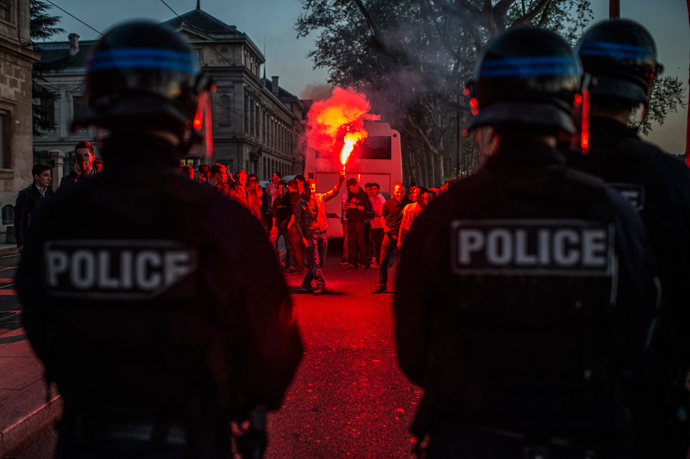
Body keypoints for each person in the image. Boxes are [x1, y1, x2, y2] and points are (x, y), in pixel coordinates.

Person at [15, 21, 302, 459]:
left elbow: (38, 315)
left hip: (88, 439)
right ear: (190, 108)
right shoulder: (224, 220)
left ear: (97, 104)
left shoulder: (60, 215)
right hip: (190, 440)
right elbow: (276, 348)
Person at [394, 27, 657, 459]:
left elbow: (414, 349)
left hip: (469, 440)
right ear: (575, 105)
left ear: (481, 107)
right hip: (579, 441)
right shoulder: (612, 214)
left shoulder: (441, 217)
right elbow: (638, 334)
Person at [569, 19, 690, 458]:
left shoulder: (538, 175)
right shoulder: (672, 182)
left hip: (540, 407)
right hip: (641, 405)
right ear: (646, 87)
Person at [293, 173, 345, 295]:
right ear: (305, 189)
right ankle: (321, 285)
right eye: (310, 189)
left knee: (320, 262)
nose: (312, 191)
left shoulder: (320, 197)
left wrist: (340, 180)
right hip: (311, 234)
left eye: (313, 189)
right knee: (315, 262)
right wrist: (302, 238)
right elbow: (297, 222)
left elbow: (334, 192)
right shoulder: (300, 204)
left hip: (322, 232)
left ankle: (306, 282)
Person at [372, 183, 410, 294]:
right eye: (398, 192)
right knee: (382, 261)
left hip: (402, 236)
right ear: (394, 191)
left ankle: (403, 286)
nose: (399, 194)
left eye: (401, 192)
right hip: (388, 235)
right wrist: (384, 227)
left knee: (403, 262)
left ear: (404, 192)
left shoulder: (408, 204)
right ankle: (381, 285)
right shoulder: (388, 203)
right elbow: (382, 218)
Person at [14, 164, 54, 253]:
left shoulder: (51, 194)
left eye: (49, 175)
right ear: (36, 176)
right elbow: (19, 220)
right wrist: (20, 243)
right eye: (46, 175)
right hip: (31, 240)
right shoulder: (26, 194)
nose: (49, 178)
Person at [343, 177, 371, 270]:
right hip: (351, 220)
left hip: (359, 221)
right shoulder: (350, 194)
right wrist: (347, 207)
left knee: (361, 242)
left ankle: (363, 263)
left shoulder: (363, 194)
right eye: (349, 189)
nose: (350, 190)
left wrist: (355, 206)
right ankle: (353, 263)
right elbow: (349, 203)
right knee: (352, 242)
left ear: (356, 186)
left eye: (351, 188)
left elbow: (367, 207)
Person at [271, 180, 293, 272]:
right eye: (279, 188)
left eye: (282, 188)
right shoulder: (276, 200)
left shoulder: (288, 199)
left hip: (287, 226)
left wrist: (286, 221)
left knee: (289, 246)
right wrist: (273, 226)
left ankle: (287, 265)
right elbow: (274, 214)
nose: (280, 190)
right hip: (278, 226)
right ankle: (275, 264)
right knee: (272, 241)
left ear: (285, 188)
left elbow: (292, 212)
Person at [286, 179, 306, 276]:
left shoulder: (294, 197)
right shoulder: (299, 196)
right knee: (298, 248)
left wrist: (289, 224)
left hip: (294, 226)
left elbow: (294, 213)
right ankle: (300, 268)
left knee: (295, 248)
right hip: (299, 225)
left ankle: (299, 269)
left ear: (290, 187)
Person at [369, 183, 385, 267]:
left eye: (374, 189)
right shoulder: (371, 199)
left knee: (381, 245)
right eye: (371, 189)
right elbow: (370, 212)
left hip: (380, 225)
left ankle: (382, 262)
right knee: (375, 245)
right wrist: (373, 213)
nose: (372, 191)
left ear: (378, 189)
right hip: (373, 225)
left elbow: (381, 213)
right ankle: (378, 262)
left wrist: (373, 213)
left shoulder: (381, 199)